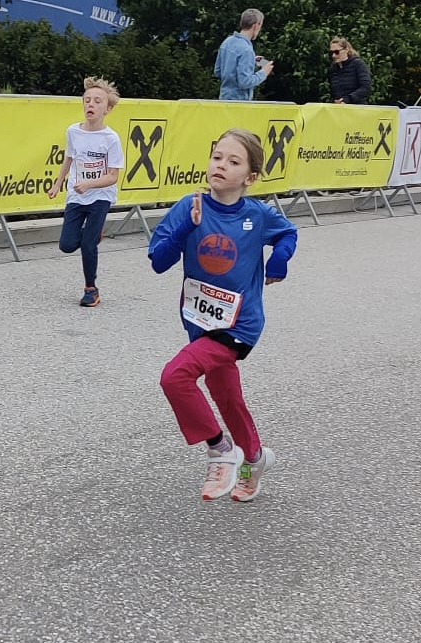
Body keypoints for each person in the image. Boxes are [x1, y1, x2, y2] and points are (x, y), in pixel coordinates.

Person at [148, 128, 298, 502]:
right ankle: (255, 460)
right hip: (200, 320)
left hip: (239, 323)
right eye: (217, 157)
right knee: (227, 397)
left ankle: (220, 451)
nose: (221, 165)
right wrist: (187, 227)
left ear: (250, 177)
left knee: (175, 377)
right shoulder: (190, 206)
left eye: (233, 161)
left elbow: (288, 233)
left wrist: (278, 260)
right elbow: (159, 261)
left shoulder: (257, 215)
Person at [47, 77, 124, 307]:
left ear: (107, 109)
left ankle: (91, 289)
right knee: (67, 245)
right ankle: (93, 233)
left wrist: (90, 184)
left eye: (97, 101)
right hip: (76, 195)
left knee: (88, 245)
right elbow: (69, 158)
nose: (91, 104)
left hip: (101, 195)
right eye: (87, 100)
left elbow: (113, 176)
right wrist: (57, 183)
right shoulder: (73, 131)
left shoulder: (111, 139)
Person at [214, 8, 274, 101]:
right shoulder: (247, 51)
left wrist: (251, 61)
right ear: (256, 25)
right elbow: (245, 82)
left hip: (224, 99)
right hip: (239, 103)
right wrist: (263, 73)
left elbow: (217, 72)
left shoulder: (227, 42)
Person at [328, 37, 371, 105]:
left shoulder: (358, 64)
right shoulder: (333, 69)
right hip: (338, 108)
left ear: (346, 50)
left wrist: (348, 99)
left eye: (337, 52)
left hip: (357, 107)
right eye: (331, 53)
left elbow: (365, 88)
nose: (333, 55)